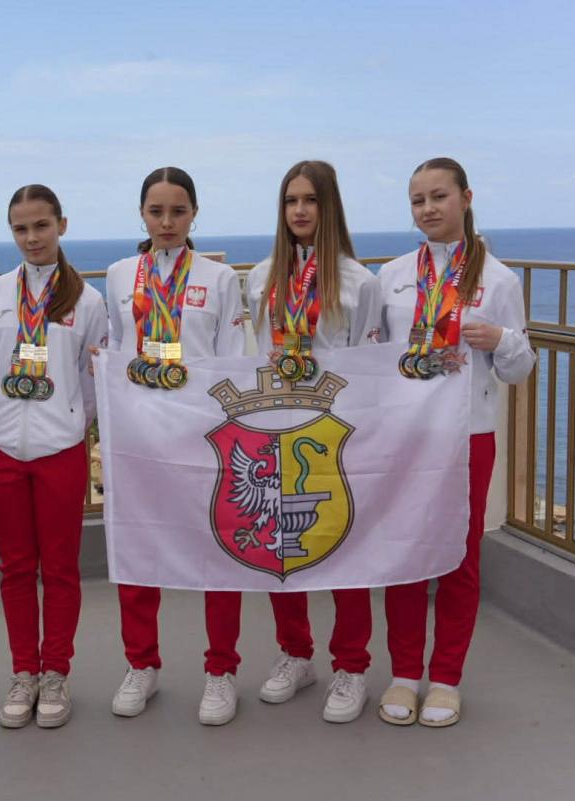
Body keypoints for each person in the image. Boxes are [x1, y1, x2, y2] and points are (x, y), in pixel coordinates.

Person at [377, 157, 535, 727]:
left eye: (438, 196)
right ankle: (403, 675)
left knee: (460, 561)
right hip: (406, 439)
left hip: (469, 438)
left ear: (466, 198)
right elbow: (375, 359)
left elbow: (518, 368)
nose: (428, 209)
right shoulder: (391, 277)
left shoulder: (499, 279)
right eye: (417, 200)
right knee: (403, 557)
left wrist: (502, 339)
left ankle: (445, 679)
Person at [104, 166, 246, 725]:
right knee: (139, 551)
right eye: (156, 211)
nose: (166, 222)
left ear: (194, 214)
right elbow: (118, 351)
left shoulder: (220, 278)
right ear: (141, 214)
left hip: (202, 437)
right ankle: (141, 663)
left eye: (178, 211)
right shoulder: (119, 275)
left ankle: (221, 670)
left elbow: (232, 358)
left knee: (219, 554)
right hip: (139, 436)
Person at [244, 160, 382, 723]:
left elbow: (369, 363)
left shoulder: (359, 282)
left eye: (310, 200)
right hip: (274, 426)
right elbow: (253, 353)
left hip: (334, 433)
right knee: (282, 549)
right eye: (290, 200)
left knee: (345, 549)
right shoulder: (260, 277)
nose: (299, 211)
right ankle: (295, 653)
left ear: (330, 206)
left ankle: (352, 665)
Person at [0, 184, 108, 729]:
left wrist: (72, 422)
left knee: (60, 568)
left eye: (41, 226)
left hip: (60, 449)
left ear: (62, 225)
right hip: (1, 445)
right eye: (21, 228)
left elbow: (90, 381)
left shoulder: (88, 301)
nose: (32, 238)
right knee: (14, 567)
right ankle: (23, 672)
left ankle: (55, 671)